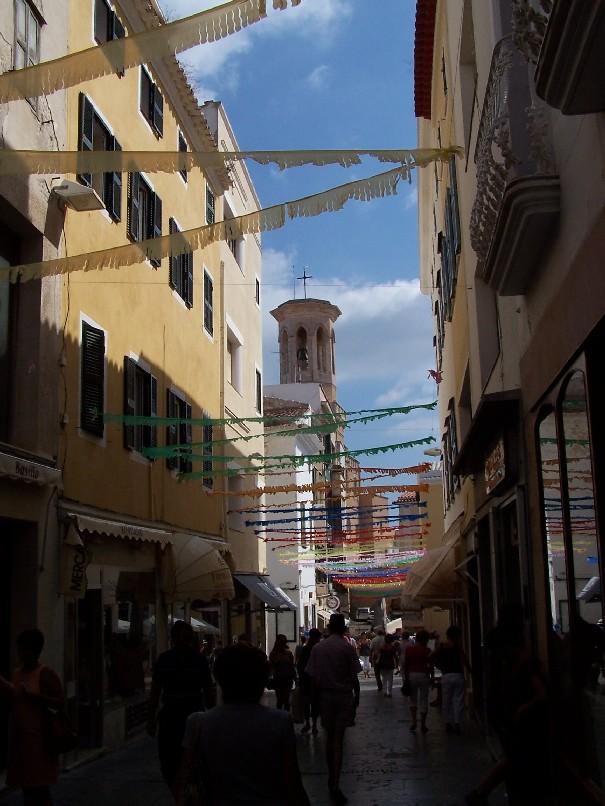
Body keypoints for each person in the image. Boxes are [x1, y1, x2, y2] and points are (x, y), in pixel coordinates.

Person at [175, 644, 310, 806]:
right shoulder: (280, 722)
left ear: (219, 678)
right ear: (262, 680)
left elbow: (184, 776)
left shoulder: (198, 723)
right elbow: (292, 782)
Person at [466, 605, 550, 806]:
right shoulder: (520, 656)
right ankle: (482, 792)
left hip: (501, 705)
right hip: (514, 709)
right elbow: (541, 692)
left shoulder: (495, 642)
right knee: (515, 756)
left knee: (513, 756)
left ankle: (487, 792)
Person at [0, 629, 64, 806]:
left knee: (39, 790)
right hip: (21, 741)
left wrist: (35, 697)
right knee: (28, 789)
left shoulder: (45, 674)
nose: (20, 653)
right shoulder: (17, 673)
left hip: (40, 741)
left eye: (24, 649)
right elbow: (16, 696)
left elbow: (59, 703)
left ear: (35, 651)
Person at [147, 620, 214, 789]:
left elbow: (155, 691)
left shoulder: (166, 659)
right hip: (185, 712)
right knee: (182, 759)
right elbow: (208, 690)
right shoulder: (198, 660)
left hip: (177, 713)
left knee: (173, 759)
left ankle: (181, 792)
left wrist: (151, 718)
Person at [306, 613, 361, 805]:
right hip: (343, 696)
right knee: (338, 739)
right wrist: (356, 700)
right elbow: (354, 678)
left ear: (329, 626)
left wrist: (314, 702)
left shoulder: (318, 648)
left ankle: (332, 776)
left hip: (325, 697)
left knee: (330, 738)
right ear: (343, 628)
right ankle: (335, 781)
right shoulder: (347, 648)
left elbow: (312, 677)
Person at [433, 625, 465, 734]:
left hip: (446, 675)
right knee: (458, 700)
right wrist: (470, 671)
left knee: (446, 700)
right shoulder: (458, 646)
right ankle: (457, 723)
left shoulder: (442, 646)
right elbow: (463, 660)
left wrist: (440, 666)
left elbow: (431, 656)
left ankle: (447, 723)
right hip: (458, 675)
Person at [403, 629, 432, 733]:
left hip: (412, 675)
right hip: (424, 675)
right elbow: (430, 666)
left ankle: (414, 722)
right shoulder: (427, 650)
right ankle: (423, 724)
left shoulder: (409, 650)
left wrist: (406, 678)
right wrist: (431, 677)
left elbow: (406, 664)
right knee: (424, 700)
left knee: (413, 700)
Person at [297, 628, 322, 735]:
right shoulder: (318, 648)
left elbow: (300, 665)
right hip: (316, 680)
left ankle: (308, 723)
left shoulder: (306, 649)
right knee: (315, 703)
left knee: (307, 703)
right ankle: (315, 724)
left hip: (306, 680)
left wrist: (301, 677)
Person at [269, 635, 296, 711]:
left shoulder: (287, 653)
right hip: (280, 679)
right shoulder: (275, 654)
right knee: (281, 700)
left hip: (285, 678)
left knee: (285, 699)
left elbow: (291, 666)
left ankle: (283, 716)